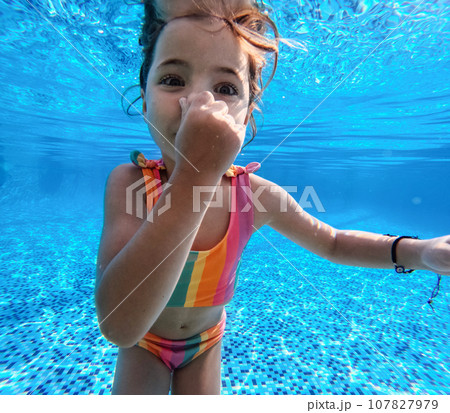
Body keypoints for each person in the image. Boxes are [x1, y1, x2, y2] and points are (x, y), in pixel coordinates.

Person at [95, 2, 450, 395]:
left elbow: (332, 242)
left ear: (246, 116)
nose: (197, 101)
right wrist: (194, 177)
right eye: (173, 79)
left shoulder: (253, 197)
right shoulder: (130, 185)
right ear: (143, 98)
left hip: (205, 343)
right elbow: (120, 327)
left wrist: (417, 252)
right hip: (144, 343)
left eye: (226, 88)